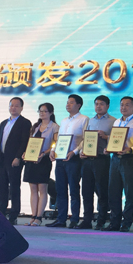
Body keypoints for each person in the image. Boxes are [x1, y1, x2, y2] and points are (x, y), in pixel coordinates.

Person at [47, 94, 89, 228]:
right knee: (60, 189)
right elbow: (59, 139)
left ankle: (74, 219)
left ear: (79, 105)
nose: (68, 105)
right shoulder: (64, 120)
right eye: (67, 102)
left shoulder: (84, 119)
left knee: (74, 189)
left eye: (71, 102)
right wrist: (53, 150)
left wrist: (74, 152)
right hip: (60, 158)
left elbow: (86, 139)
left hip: (74, 158)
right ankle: (61, 219)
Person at [0, 97, 32, 224]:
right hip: (2, 159)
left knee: (14, 187)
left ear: (21, 108)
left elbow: (24, 142)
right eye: (11, 105)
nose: (13, 108)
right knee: (1, 187)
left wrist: (18, 157)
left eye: (16, 105)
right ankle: (0, 214)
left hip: (14, 160)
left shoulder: (25, 123)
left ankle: (14, 215)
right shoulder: (4, 122)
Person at [103, 96, 133, 232]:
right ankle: (114, 222)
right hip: (115, 159)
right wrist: (108, 148)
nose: (124, 107)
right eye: (122, 105)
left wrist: (130, 149)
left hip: (129, 159)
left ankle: (127, 222)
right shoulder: (117, 122)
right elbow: (114, 140)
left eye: (127, 105)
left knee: (129, 192)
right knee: (113, 191)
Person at [78, 95, 115, 230]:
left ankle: (101, 220)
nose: (98, 106)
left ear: (107, 106)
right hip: (87, 160)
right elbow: (85, 139)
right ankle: (87, 220)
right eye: (96, 104)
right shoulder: (90, 121)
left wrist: (106, 137)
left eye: (101, 104)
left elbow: (117, 140)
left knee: (102, 190)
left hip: (102, 159)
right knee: (86, 191)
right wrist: (82, 151)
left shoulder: (113, 121)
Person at [23, 103, 59, 226]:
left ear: (51, 113)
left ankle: (39, 217)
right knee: (33, 189)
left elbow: (55, 144)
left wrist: (43, 154)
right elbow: (30, 143)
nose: (42, 113)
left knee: (42, 189)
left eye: (44, 111)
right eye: (40, 111)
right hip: (31, 160)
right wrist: (26, 153)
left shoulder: (54, 127)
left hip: (44, 160)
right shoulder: (35, 126)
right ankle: (33, 216)